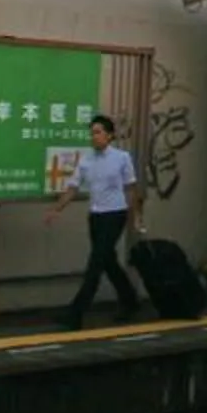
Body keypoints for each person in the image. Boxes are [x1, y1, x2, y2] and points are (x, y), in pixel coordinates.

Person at [53, 114, 141, 330]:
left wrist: (136, 215)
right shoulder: (86, 160)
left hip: (116, 214)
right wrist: (56, 209)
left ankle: (76, 314)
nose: (94, 137)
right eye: (92, 133)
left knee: (95, 264)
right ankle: (130, 299)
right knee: (108, 261)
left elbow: (131, 188)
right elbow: (73, 187)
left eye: (99, 132)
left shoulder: (122, 158)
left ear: (110, 135)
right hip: (96, 216)